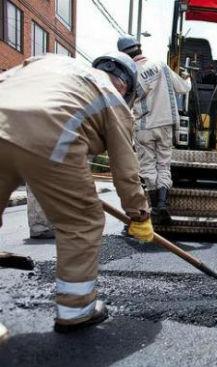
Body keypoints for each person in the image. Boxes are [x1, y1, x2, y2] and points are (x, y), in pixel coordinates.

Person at [0, 52, 154, 333]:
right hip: (48, 136)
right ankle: (76, 310)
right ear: (125, 86)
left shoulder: (52, 62)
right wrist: (139, 214)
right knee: (81, 222)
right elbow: (125, 169)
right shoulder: (111, 97)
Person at [117, 35, 191, 225]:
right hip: (165, 124)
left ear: (124, 55)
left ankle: (155, 207)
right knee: (164, 165)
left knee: (148, 166)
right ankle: (163, 205)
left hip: (144, 127)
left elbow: (123, 103)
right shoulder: (161, 66)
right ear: (139, 48)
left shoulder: (130, 75)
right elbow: (183, 88)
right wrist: (188, 78)